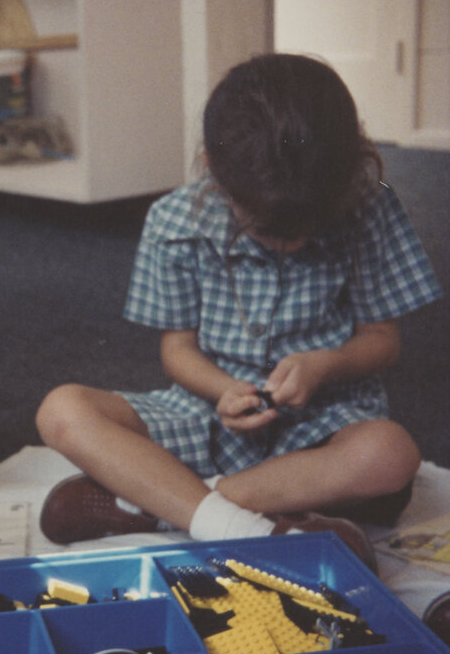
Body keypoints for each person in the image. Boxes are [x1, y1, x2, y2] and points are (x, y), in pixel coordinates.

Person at [36, 53, 442, 570]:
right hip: (207, 412)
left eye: (306, 228)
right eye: (264, 228)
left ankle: (164, 504)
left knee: (391, 452)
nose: (289, 246)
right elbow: (177, 349)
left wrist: (324, 365)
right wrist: (222, 390)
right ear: (213, 170)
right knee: (62, 410)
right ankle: (260, 516)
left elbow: (382, 338)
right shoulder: (173, 219)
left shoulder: (373, 207)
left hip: (322, 422)